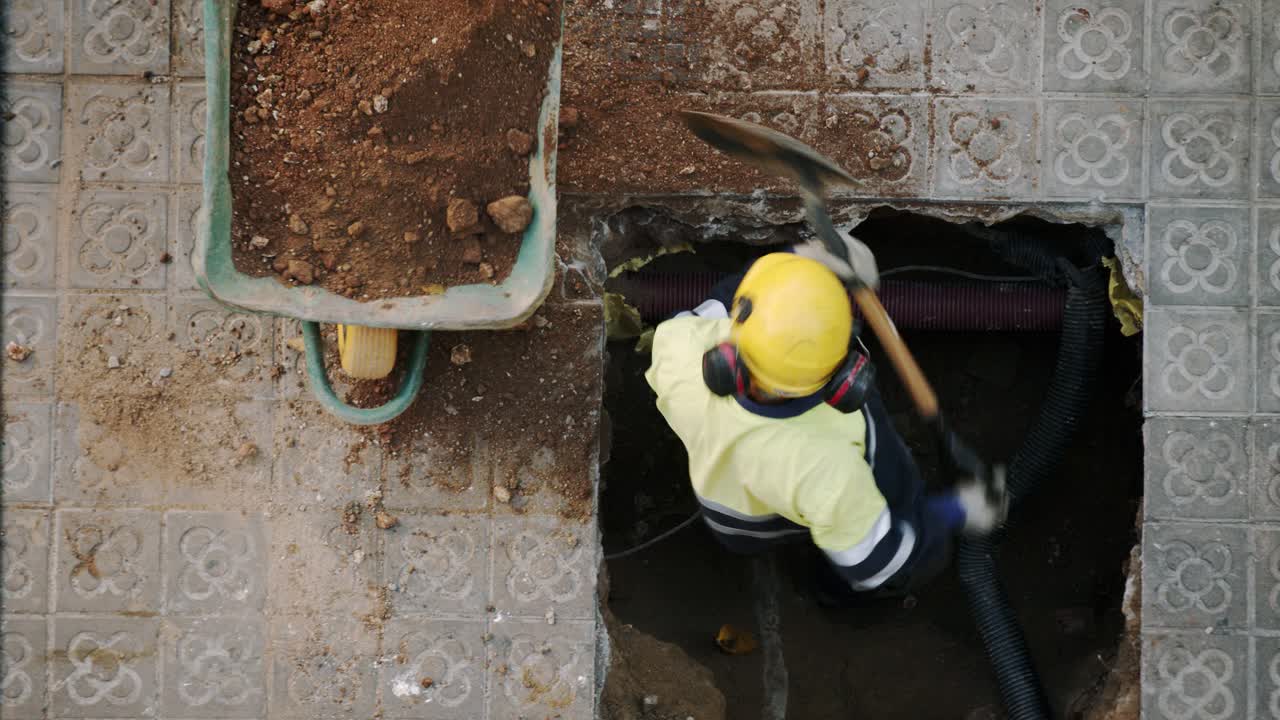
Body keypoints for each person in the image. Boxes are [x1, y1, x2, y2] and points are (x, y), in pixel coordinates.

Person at [644, 233, 1008, 601]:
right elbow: (876, 561)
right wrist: (955, 510)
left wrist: (802, 256)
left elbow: (727, 302)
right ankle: (830, 595)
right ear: (845, 379)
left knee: (828, 523)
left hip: (733, 519)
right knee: (887, 563)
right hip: (789, 517)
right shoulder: (827, 469)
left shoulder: (680, 352)